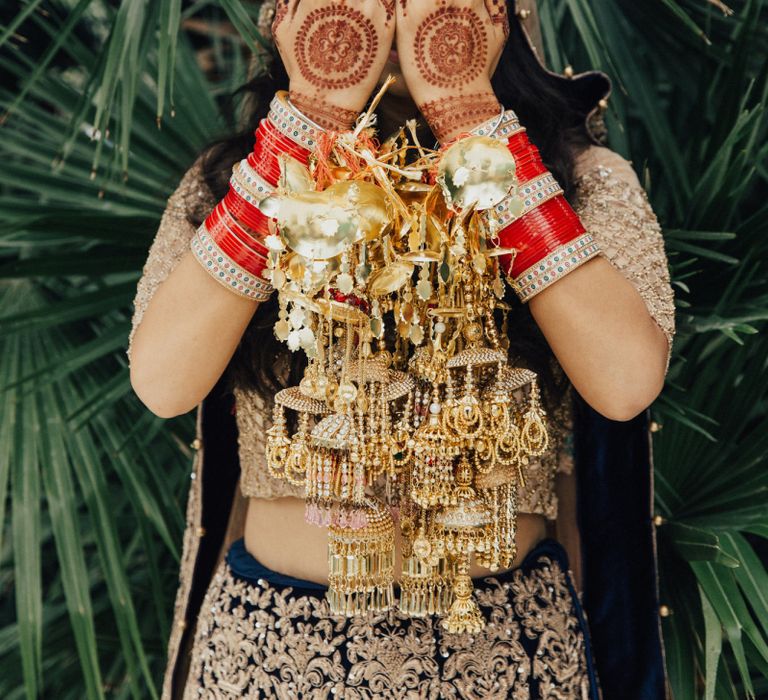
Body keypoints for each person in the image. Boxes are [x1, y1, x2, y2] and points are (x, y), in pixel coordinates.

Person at [127, 1, 676, 697]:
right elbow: (162, 382)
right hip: (271, 657)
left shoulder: (583, 179)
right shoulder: (232, 181)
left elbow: (626, 380)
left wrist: (473, 125)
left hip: (499, 651)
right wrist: (304, 127)